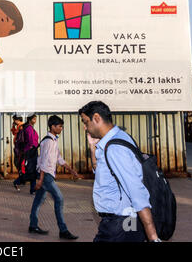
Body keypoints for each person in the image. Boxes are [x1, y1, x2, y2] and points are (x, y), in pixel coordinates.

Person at [78, 101, 160, 242]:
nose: (85, 128)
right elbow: (103, 174)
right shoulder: (118, 138)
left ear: (96, 118)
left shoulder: (115, 148)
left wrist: (152, 236)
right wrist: (93, 149)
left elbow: (135, 189)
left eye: (86, 122)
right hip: (127, 219)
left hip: (119, 222)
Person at [29, 115, 79, 240]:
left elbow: (59, 159)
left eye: (62, 126)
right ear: (52, 127)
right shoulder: (49, 142)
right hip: (46, 176)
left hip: (46, 175)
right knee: (59, 199)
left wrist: (71, 170)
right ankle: (63, 230)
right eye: (59, 126)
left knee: (38, 200)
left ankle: (33, 225)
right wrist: (40, 180)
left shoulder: (53, 141)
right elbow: (44, 162)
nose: (61, 129)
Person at [13, 114, 38, 194]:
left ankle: (31, 188)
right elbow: (31, 141)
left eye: (35, 119)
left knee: (31, 171)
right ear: (30, 119)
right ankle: (19, 182)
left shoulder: (27, 127)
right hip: (30, 152)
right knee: (31, 170)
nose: (35, 121)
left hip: (31, 151)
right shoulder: (28, 128)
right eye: (34, 119)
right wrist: (33, 148)